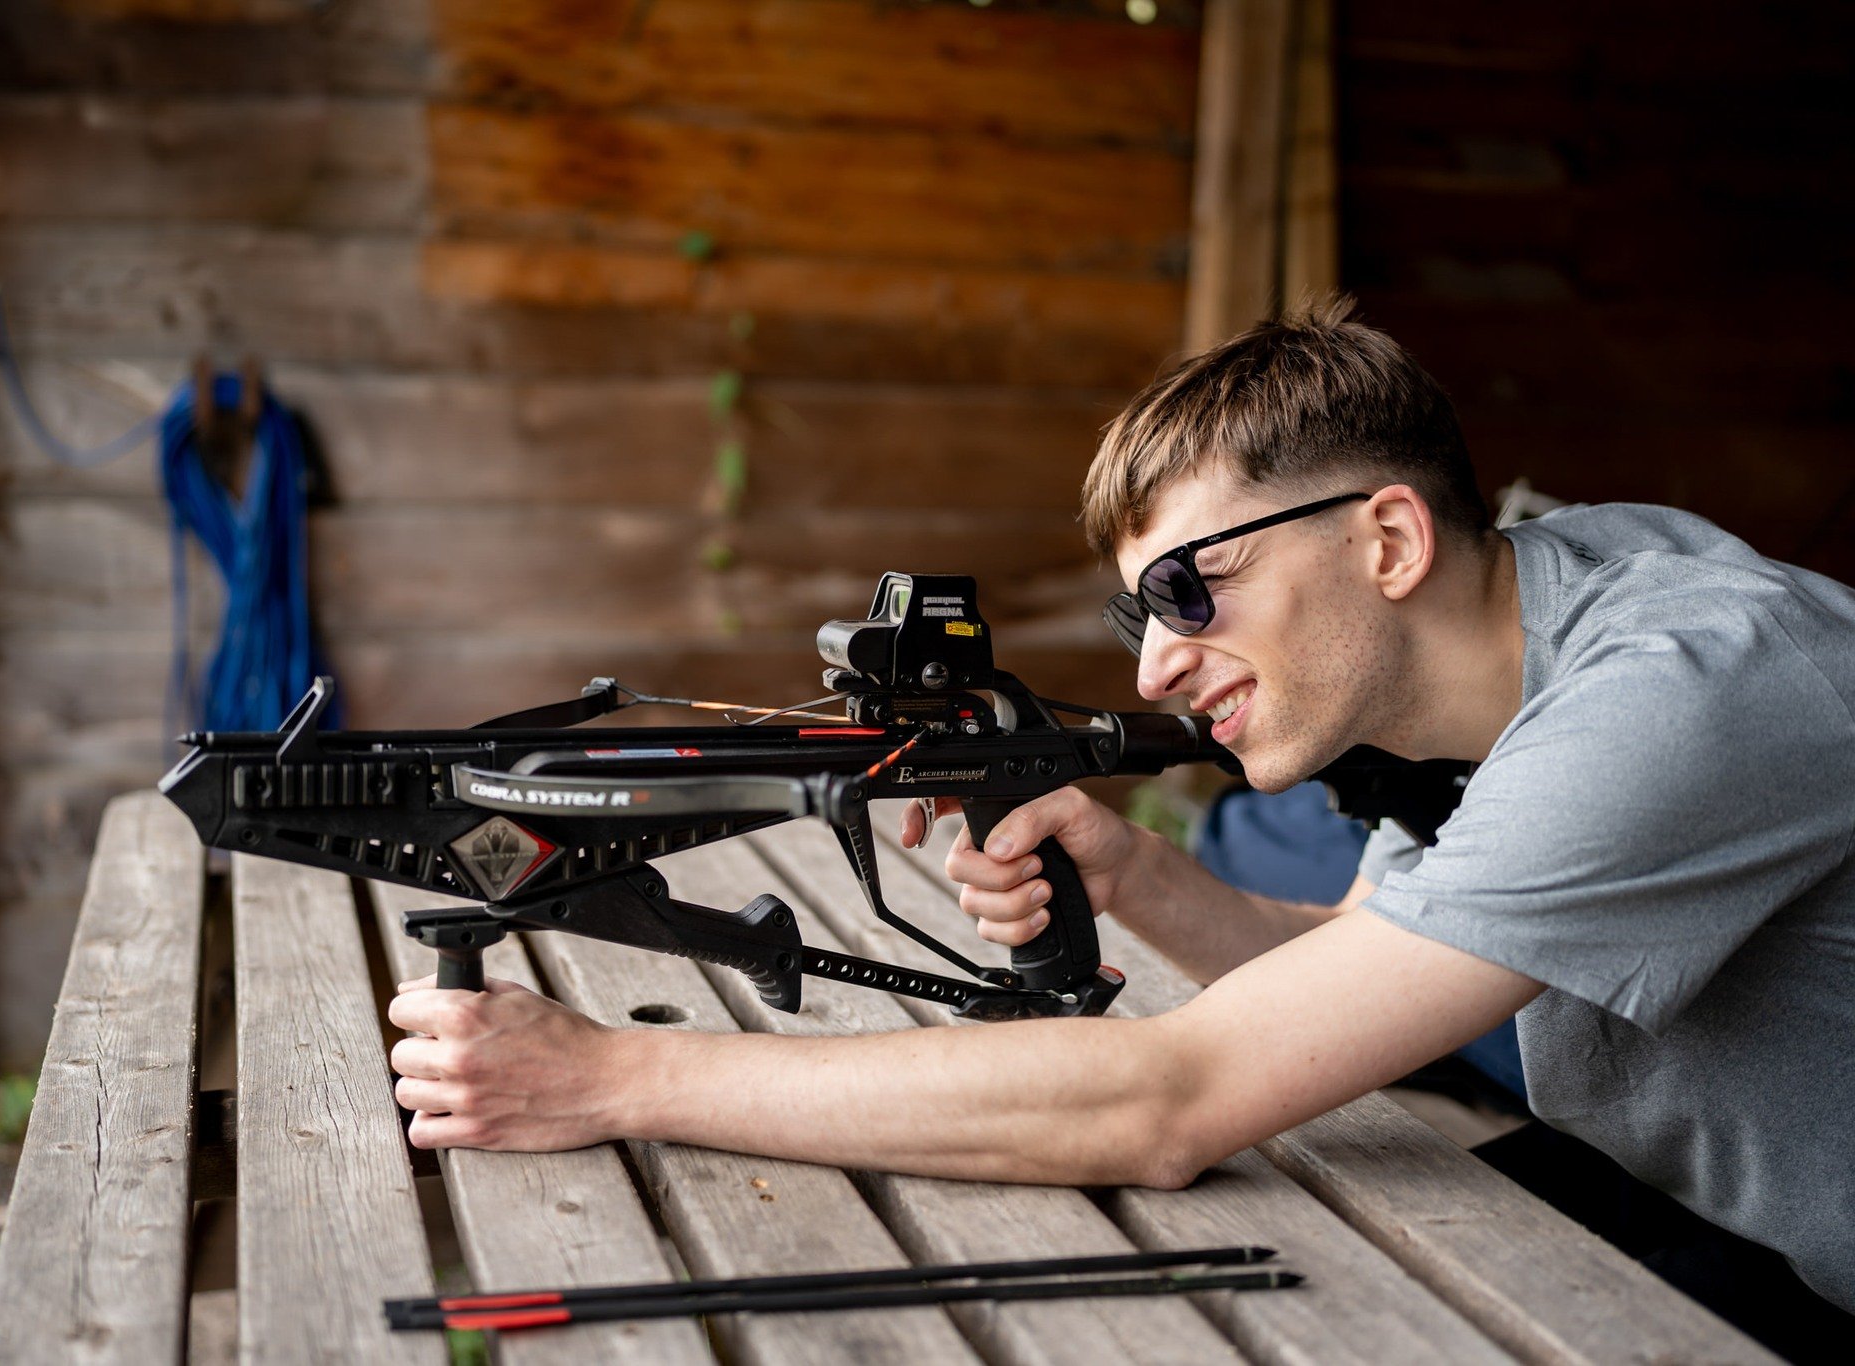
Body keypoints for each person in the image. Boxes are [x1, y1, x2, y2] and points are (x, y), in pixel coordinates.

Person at [387, 299, 1854, 1351]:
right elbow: (1356, 952)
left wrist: (614, 1078)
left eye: (1189, 593)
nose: (1153, 665)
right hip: (1726, 1220)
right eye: (1135, 609)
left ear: (1389, 542)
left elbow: (1169, 1102)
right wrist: (1136, 868)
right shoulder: (1522, 615)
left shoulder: (1675, 698)